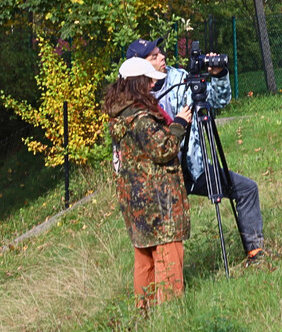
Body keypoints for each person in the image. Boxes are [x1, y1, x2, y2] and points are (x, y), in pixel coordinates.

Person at [125, 39, 268, 264]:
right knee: (163, 233)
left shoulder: (181, 79)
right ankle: (163, 280)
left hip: (193, 168)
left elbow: (220, 100)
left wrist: (219, 75)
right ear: (138, 66)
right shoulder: (131, 98)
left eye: (160, 52)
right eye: (153, 56)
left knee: (247, 189)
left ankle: (255, 251)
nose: (162, 57)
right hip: (159, 179)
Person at [105, 56, 192, 311]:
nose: (153, 86)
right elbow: (162, 149)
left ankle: (144, 311)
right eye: (150, 82)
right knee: (168, 255)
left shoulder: (120, 113)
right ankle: (170, 314)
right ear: (139, 84)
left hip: (134, 199)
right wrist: (178, 125)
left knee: (144, 257)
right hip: (158, 200)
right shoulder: (141, 118)